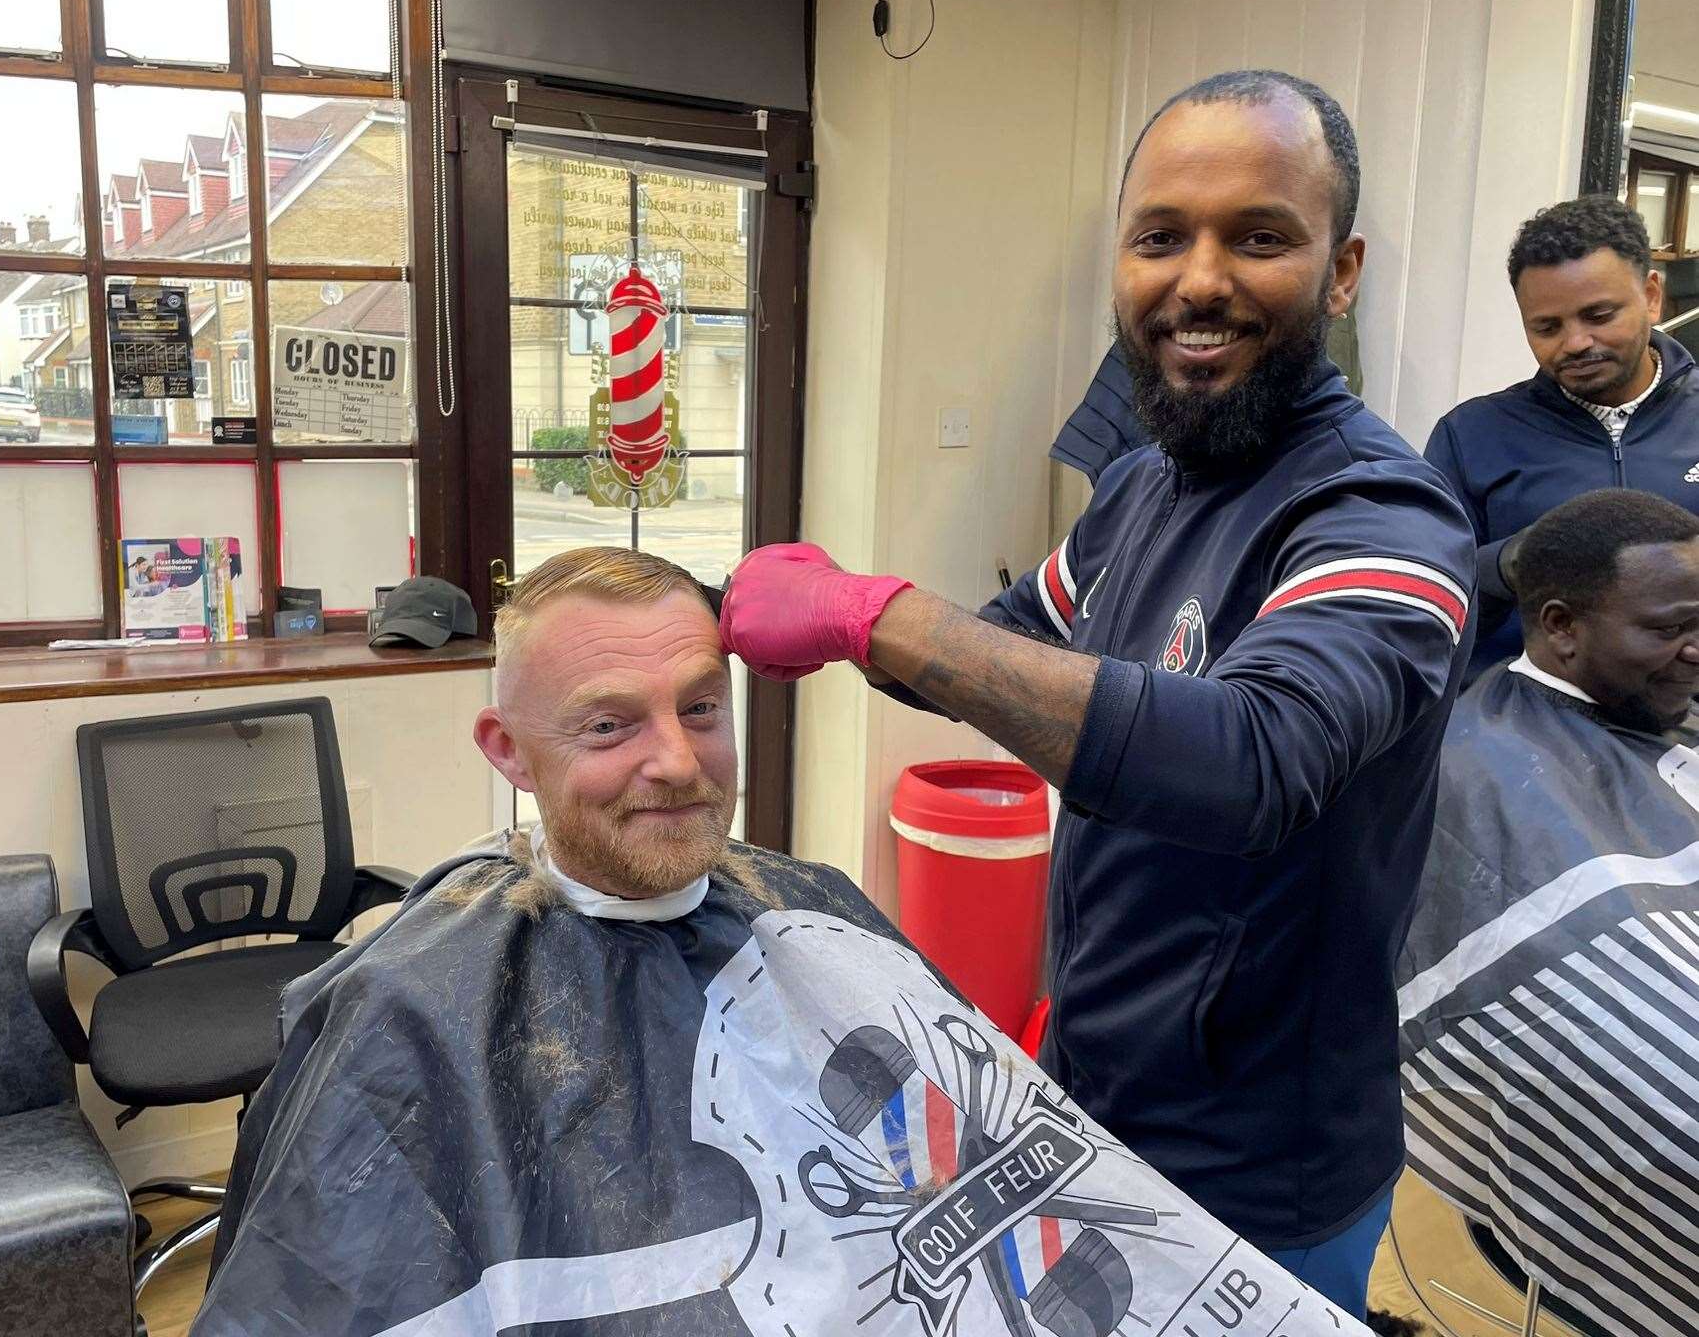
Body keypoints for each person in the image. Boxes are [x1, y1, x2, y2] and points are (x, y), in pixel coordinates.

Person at [719, 70, 1477, 1320]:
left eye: (1258, 237)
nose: (1198, 278)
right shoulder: (1142, 486)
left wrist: (879, 611)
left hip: (1255, 1172)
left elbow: (1252, 755)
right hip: (1088, 1096)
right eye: (1160, 236)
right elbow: (1007, 651)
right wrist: (825, 623)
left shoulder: (1379, 518)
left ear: (1339, 274)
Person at [194, 546, 1373, 1337]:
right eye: (609, 724)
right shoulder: (409, 1008)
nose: (674, 758)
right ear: (505, 747)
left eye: (699, 706)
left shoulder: (808, 910)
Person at [1397, 488, 1699, 1335]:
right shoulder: (1480, 768)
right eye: (1666, 628)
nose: (1694, 650)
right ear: (1560, 626)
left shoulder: (1648, 705)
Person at [1425, 195, 1699, 683]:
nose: (1575, 343)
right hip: (1520, 727)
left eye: (1599, 316)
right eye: (1547, 326)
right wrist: (1509, 565)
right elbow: (1429, 609)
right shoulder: (1472, 436)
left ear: (1652, 296)